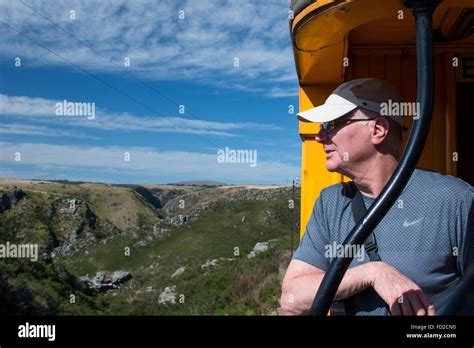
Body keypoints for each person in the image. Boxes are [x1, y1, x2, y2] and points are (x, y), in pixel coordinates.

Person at [280, 78, 474, 316]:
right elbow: (291, 299)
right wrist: (372, 273)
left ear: (378, 129)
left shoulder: (454, 200)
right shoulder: (330, 203)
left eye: (331, 123)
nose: (320, 136)